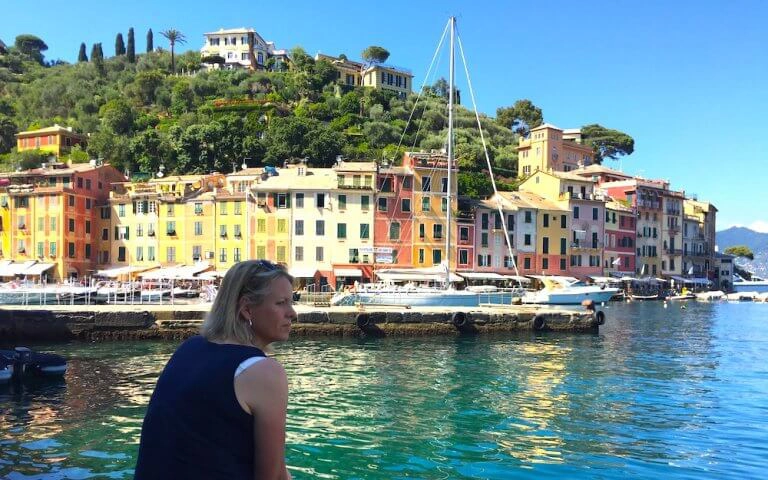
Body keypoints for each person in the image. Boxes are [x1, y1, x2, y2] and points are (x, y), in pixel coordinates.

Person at [134, 260, 295, 480]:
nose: (292, 313)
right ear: (247, 309)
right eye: (281, 303)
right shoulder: (265, 373)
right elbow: (272, 477)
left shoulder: (188, 348)